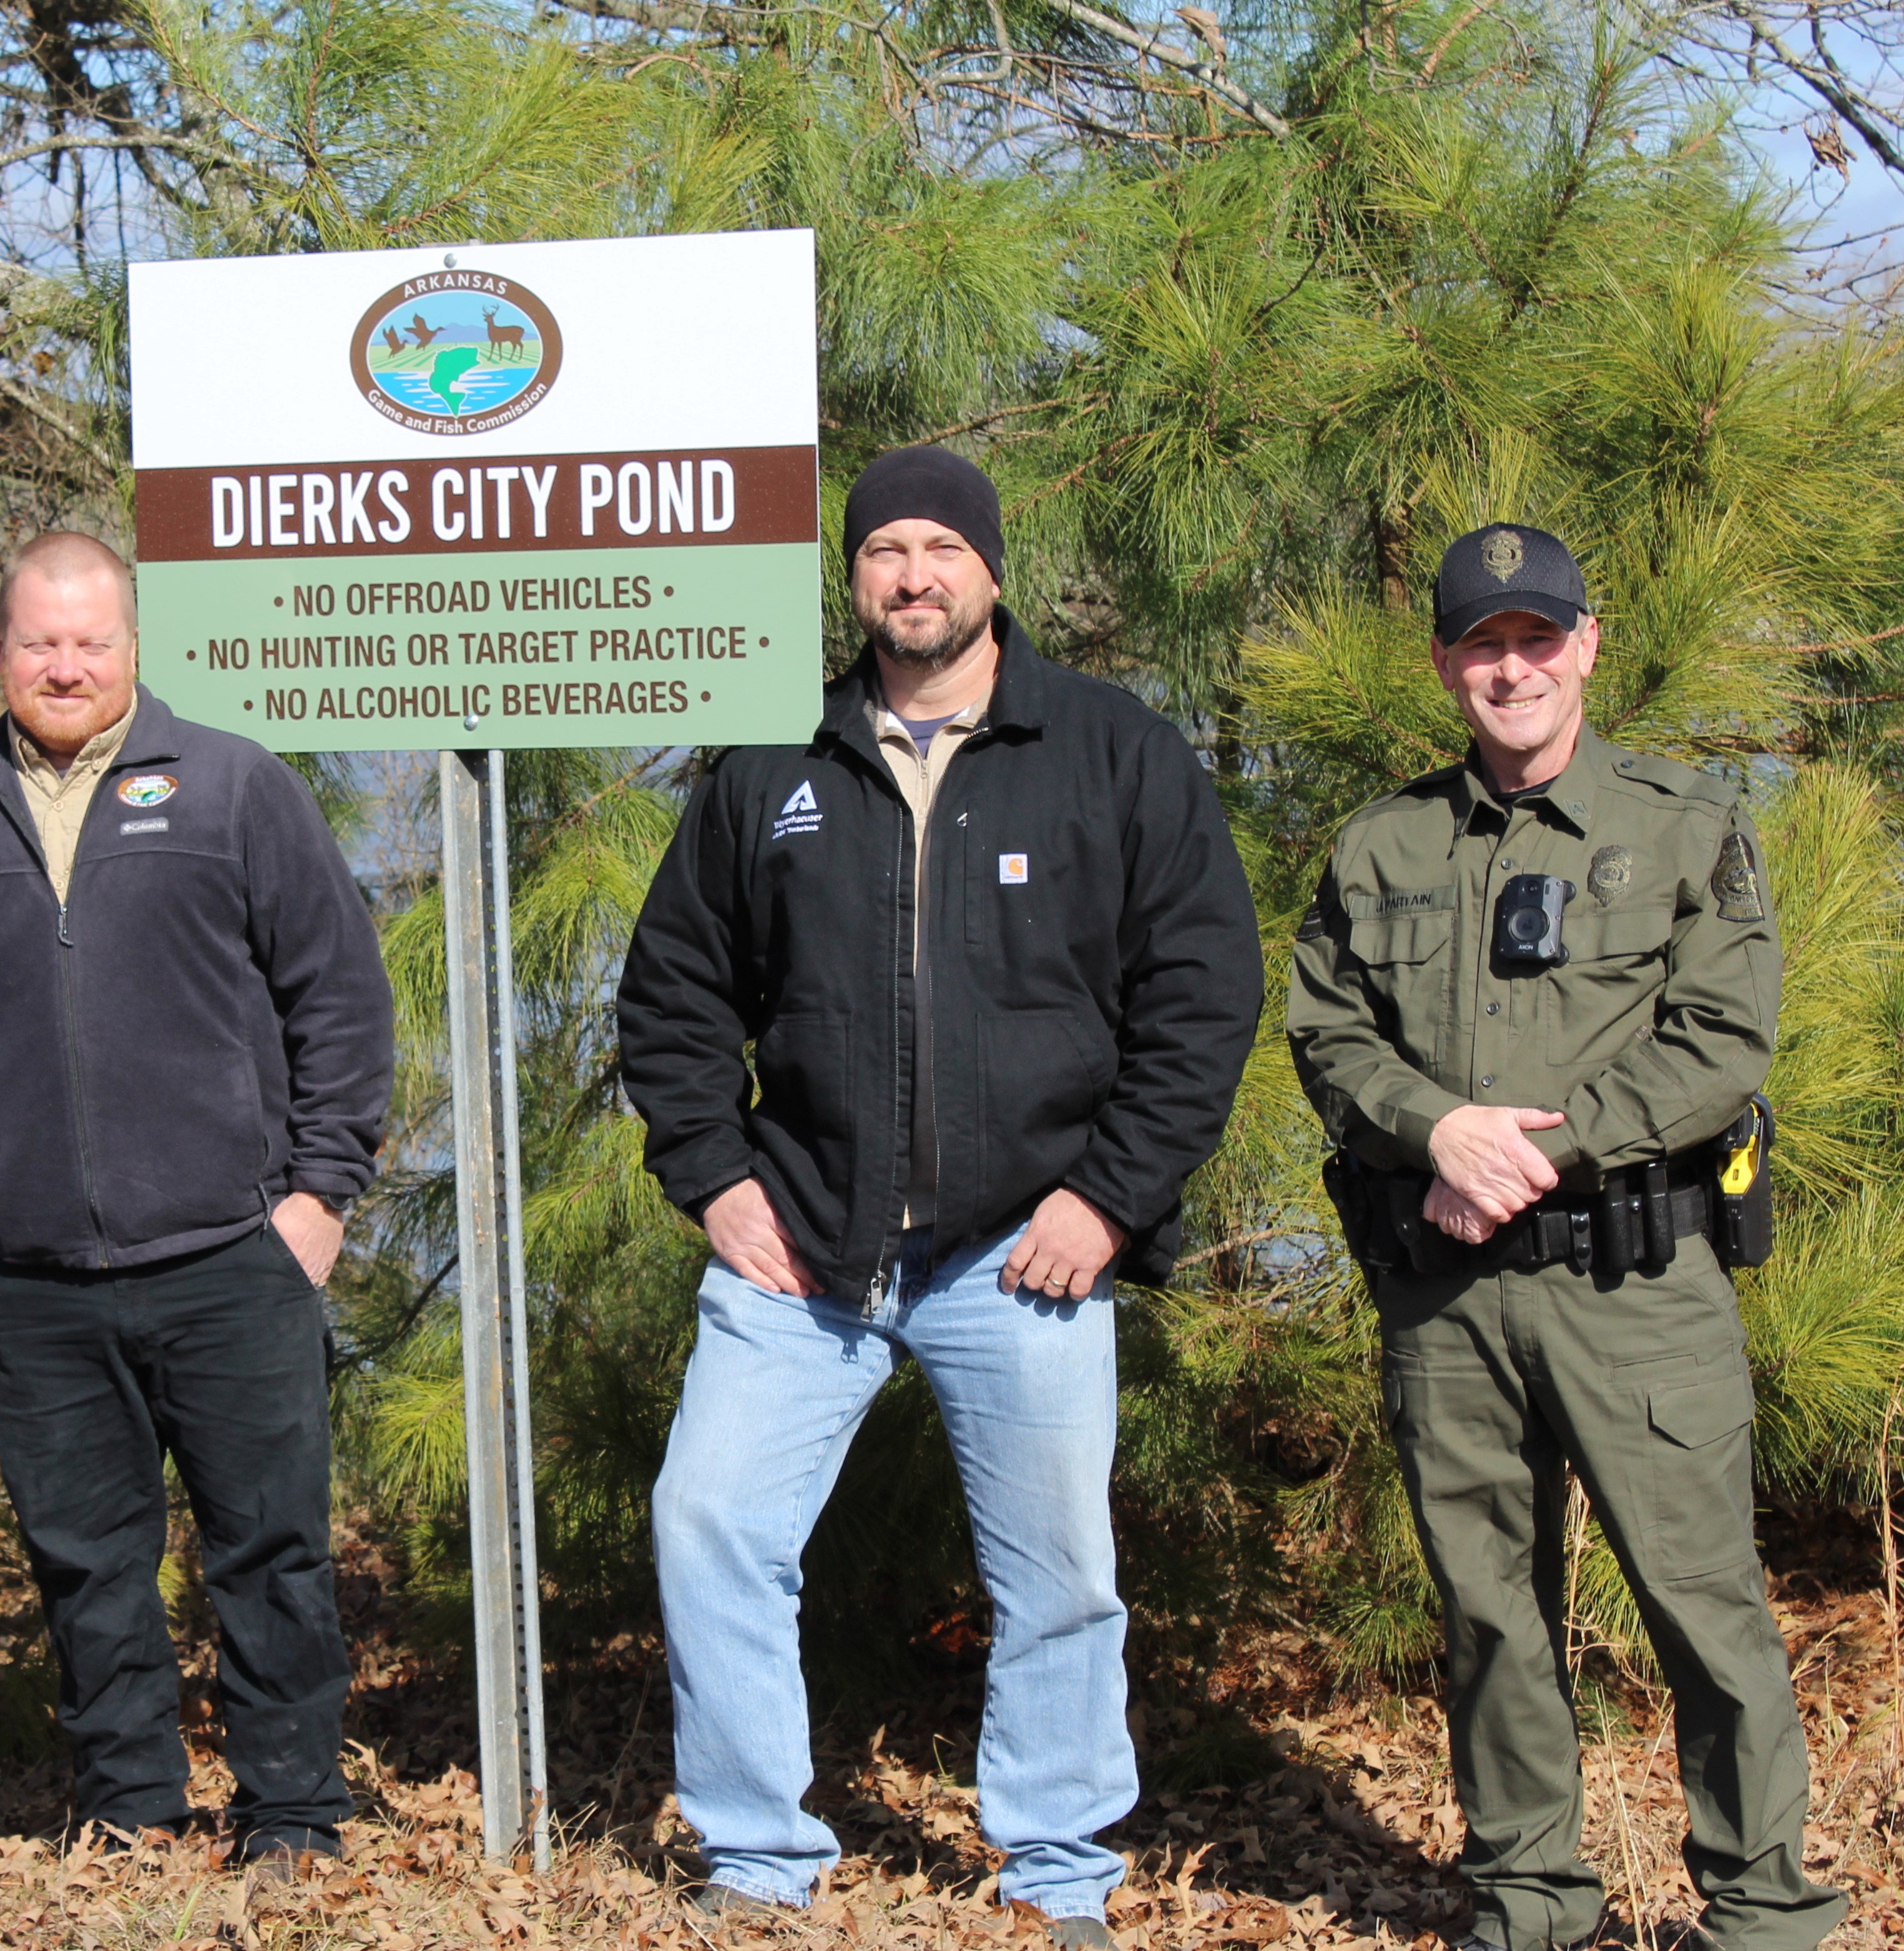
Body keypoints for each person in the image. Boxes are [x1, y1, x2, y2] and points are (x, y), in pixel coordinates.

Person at [617, 446, 1264, 1943]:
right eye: (882, 551)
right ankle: (756, 1858)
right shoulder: (770, 759)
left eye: (937, 547)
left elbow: (1200, 995)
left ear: (990, 570)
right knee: (706, 1518)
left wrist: (1104, 1202)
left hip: (1021, 1248)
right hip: (804, 1250)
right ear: (851, 581)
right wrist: (713, 1178)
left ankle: (1055, 1868)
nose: (911, 575)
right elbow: (671, 993)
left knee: (1056, 1575)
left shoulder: (1108, 750)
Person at [1286, 527, 1843, 1951]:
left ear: (1585, 645)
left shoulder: (1680, 822)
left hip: (1634, 1282)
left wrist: (1531, 1148)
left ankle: (1761, 1913)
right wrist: (1428, 1129)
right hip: (1447, 1294)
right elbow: (1326, 1034)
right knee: (1486, 1612)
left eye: (1536, 637)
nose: (1510, 666)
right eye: (1482, 643)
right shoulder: (1379, 842)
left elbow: (1720, 1041)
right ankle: (1527, 1902)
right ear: (1442, 665)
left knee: (1702, 1606)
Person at [0, 532, 394, 1872]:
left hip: (232, 1252)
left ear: (131, 647)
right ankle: (128, 1806)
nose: (64, 664)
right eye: (39, 642)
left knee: (269, 1554)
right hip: (35, 1277)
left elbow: (335, 998)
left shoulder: (230, 787)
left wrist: (318, 1198)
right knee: (85, 1566)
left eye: (89, 641)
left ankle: (289, 1813)